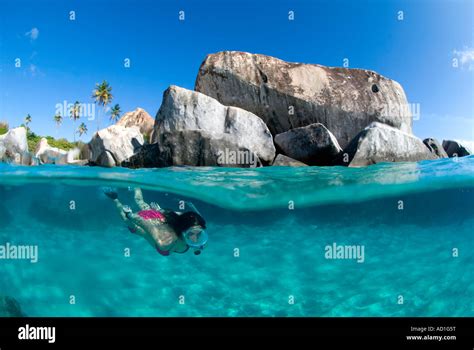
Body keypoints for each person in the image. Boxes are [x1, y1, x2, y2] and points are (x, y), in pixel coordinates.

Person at [104, 187, 208, 256]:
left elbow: (180, 215)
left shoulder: (187, 225)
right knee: (126, 219)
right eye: (192, 234)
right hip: (145, 223)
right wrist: (131, 215)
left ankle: (136, 184)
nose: (196, 238)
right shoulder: (166, 242)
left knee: (139, 201)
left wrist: (160, 210)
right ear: (183, 231)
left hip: (158, 217)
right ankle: (115, 199)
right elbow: (148, 227)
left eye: (198, 234)